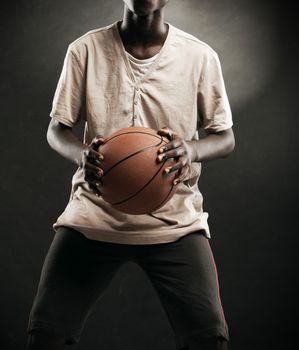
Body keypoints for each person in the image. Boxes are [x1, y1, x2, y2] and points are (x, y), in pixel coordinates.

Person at [26, 1, 235, 349]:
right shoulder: (85, 50)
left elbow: (225, 137)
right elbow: (56, 130)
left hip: (174, 221)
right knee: (44, 333)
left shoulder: (200, 57)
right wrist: (83, 155)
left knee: (210, 338)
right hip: (94, 214)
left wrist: (192, 149)